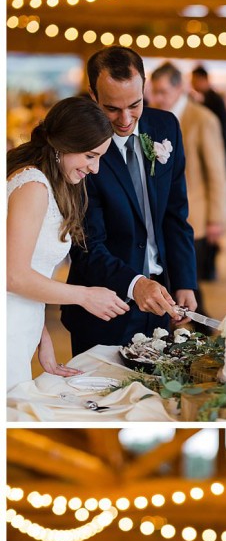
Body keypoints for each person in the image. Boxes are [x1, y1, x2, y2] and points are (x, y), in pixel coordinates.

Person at [61, 46, 197, 355]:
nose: (125, 119)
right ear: (93, 96)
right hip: (104, 305)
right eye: (111, 108)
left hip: (161, 297)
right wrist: (134, 284)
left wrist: (185, 280)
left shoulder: (166, 127)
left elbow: (175, 213)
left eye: (134, 105)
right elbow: (86, 244)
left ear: (144, 86)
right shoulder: (80, 148)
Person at [7, 97, 129, 387]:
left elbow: (27, 269)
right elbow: (12, 276)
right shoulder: (33, 186)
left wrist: (40, 333)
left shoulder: (49, 182)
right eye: (90, 156)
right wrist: (85, 296)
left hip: (21, 324)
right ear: (63, 144)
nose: (95, 168)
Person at [149, 62, 226, 303]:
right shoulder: (153, 118)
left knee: (184, 275)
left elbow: (216, 172)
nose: (158, 98)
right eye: (155, 92)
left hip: (195, 210)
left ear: (179, 88)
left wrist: (216, 218)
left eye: (163, 92)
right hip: (161, 211)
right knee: (174, 275)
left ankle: (198, 326)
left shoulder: (203, 119)